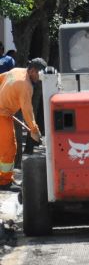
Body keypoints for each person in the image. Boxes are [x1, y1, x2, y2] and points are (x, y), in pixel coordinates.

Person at [0, 58, 45, 191]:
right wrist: (34, 129)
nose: (40, 77)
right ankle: (5, 182)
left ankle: (4, 178)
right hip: (2, 115)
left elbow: (1, 78)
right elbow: (27, 110)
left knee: (6, 146)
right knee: (9, 148)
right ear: (31, 70)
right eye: (38, 73)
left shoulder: (16, 71)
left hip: (4, 113)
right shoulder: (26, 86)